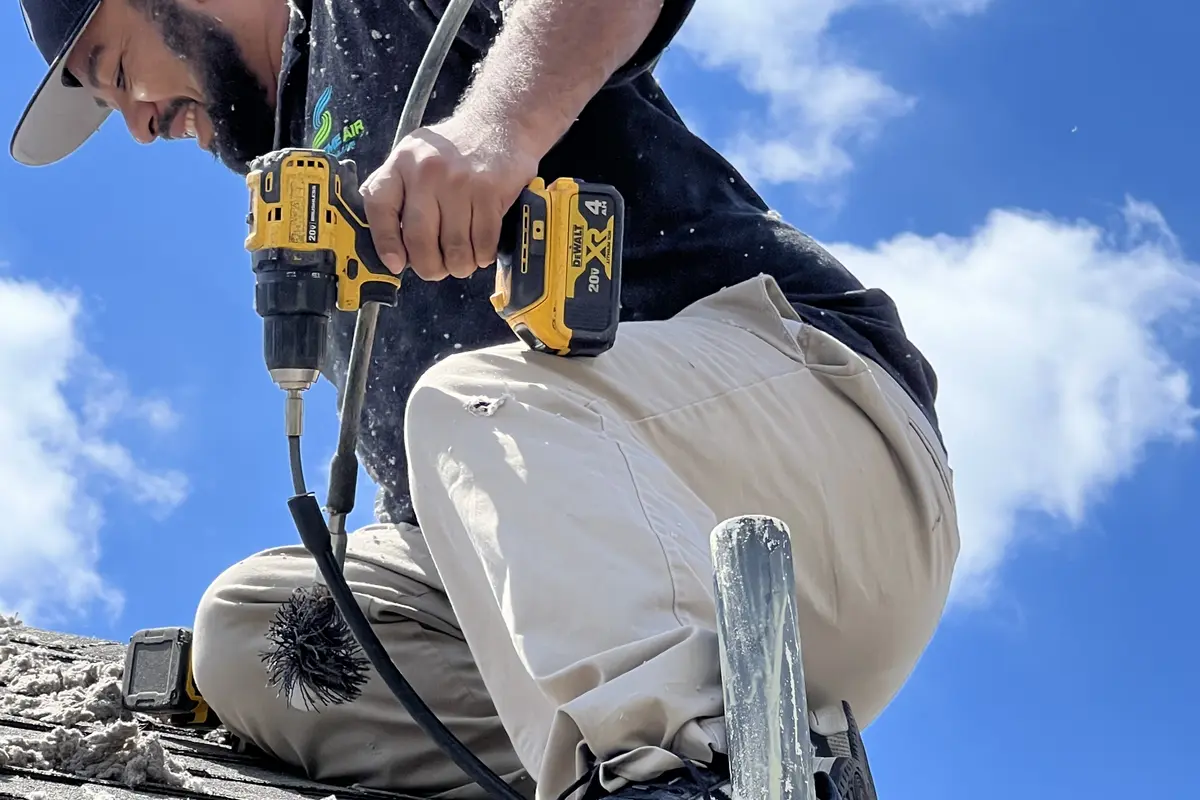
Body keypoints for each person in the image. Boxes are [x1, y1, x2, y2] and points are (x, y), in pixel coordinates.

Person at [11, 0, 960, 798]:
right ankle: (661, 764)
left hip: (819, 459)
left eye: (111, 64)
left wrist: (494, 129)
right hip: (644, 614)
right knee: (264, 629)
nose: (136, 122)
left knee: (467, 405)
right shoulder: (310, 186)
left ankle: (679, 775)